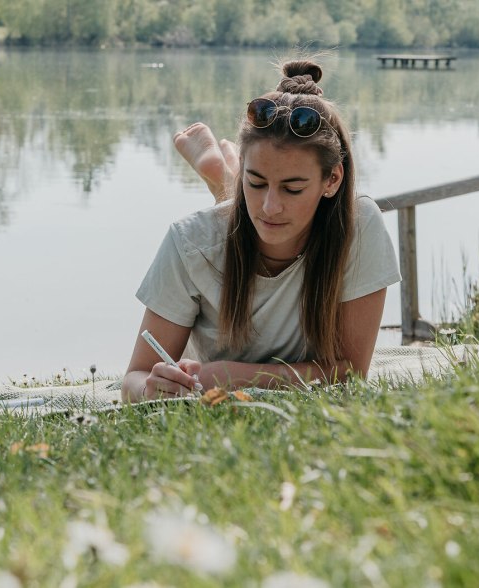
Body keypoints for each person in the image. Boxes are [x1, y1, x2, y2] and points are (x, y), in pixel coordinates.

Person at [122, 59, 402, 403]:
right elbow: (135, 377)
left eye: (292, 188)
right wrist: (148, 388)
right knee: (235, 218)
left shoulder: (359, 225)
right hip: (220, 232)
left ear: (332, 180)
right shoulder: (189, 242)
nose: (270, 206)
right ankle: (226, 179)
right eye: (254, 182)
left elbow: (350, 373)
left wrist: (232, 374)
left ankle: (224, 178)